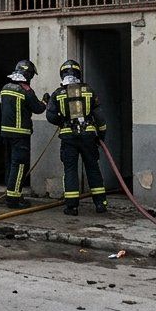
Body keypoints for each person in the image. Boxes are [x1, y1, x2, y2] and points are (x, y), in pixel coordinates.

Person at [46, 60, 108, 216]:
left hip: (68, 138)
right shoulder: (89, 91)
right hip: (88, 136)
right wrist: (101, 136)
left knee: (70, 170)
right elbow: (100, 118)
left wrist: (62, 121)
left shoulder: (58, 94)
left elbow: (50, 116)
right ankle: (100, 203)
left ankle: (72, 206)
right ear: (79, 73)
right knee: (93, 168)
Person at [0, 59, 46, 209]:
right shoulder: (26, 90)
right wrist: (45, 101)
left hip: (6, 134)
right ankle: (14, 199)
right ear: (28, 75)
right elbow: (38, 108)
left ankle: (10, 193)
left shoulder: (5, 88)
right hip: (20, 135)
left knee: (10, 165)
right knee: (19, 166)